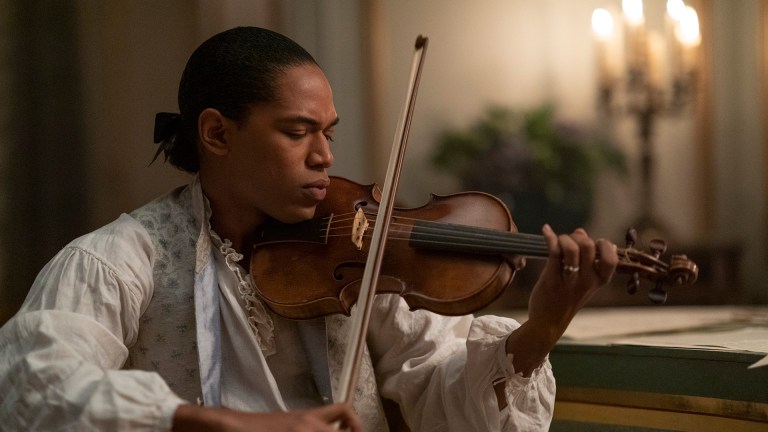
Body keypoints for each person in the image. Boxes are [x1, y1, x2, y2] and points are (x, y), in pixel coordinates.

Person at [0, 26, 618, 431]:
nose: (324, 155)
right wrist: (222, 422)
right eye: (298, 132)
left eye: (329, 132)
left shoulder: (359, 248)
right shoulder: (116, 259)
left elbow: (443, 394)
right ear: (217, 134)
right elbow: (32, 387)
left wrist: (539, 330)